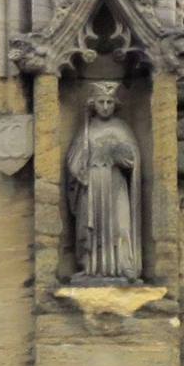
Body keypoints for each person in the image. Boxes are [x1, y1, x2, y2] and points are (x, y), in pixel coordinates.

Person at [66, 81, 141, 281]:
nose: (105, 106)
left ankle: (122, 265)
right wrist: (78, 171)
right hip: (92, 184)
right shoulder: (86, 130)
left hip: (114, 182)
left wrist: (120, 155)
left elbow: (132, 159)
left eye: (109, 102)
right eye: (101, 102)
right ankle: (91, 266)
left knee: (121, 224)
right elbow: (74, 159)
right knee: (87, 228)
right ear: (93, 104)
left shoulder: (122, 128)